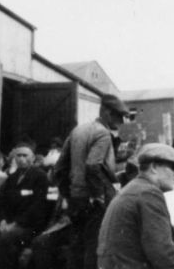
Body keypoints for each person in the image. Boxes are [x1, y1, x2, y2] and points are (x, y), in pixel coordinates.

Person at [54, 93, 129, 269]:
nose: (121, 122)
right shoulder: (103, 134)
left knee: (76, 244)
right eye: (118, 116)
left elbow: (59, 168)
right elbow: (93, 165)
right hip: (94, 200)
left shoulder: (78, 130)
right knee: (94, 246)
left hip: (76, 198)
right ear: (107, 113)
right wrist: (98, 196)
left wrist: (68, 193)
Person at [97, 143, 174, 269]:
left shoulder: (134, 188)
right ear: (154, 167)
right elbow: (162, 252)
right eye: (173, 167)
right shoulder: (149, 193)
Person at [0, 142, 49, 269]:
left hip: (29, 225)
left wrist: (15, 224)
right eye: (18, 156)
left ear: (32, 158)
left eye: (25, 155)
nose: (21, 159)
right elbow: (4, 203)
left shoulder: (40, 177)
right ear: (14, 159)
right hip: (9, 223)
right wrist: (3, 221)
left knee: (6, 238)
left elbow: (37, 206)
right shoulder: (11, 177)